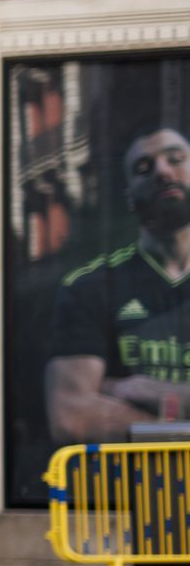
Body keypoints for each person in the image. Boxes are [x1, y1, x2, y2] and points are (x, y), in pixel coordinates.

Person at [46, 126, 190, 444]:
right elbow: (72, 417)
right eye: (143, 168)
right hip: (131, 490)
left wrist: (144, 390)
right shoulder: (89, 288)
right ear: (129, 197)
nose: (163, 171)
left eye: (176, 159)